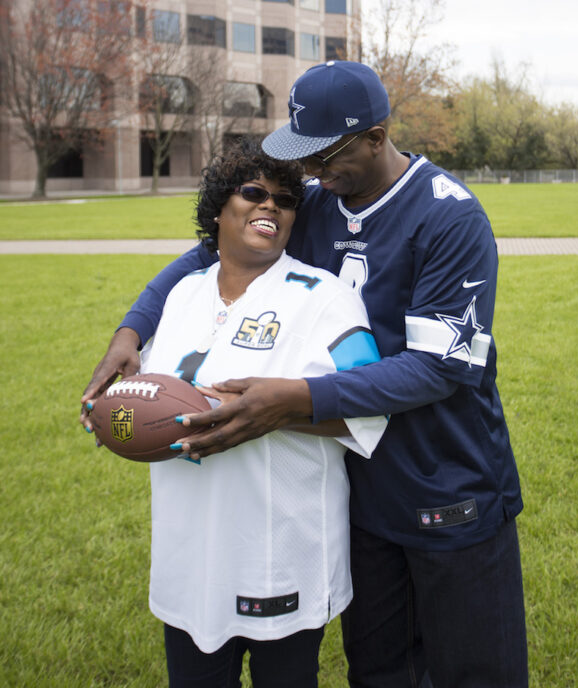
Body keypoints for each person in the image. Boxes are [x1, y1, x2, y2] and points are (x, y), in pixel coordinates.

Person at [82, 61, 528, 688]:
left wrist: (295, 399)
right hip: (360, 480)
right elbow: (203, 256)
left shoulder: (449, 216)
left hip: (444, 475)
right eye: (304, 154)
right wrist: (131, 334)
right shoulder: (318, 203)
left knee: (472, 671)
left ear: (376, 135)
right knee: (378, 669)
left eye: (326, 153)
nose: (311, 170)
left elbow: (437, 369)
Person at [85, 138, 386, 688]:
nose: (271, 205)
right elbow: (150, 400)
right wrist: (113, 417)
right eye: (254, 193)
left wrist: (275, 411)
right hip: (189, 558)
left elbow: (369, 408)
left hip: (280, 555)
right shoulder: (182, 295)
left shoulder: (325, 297)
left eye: (285, 199)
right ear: (219, 209)